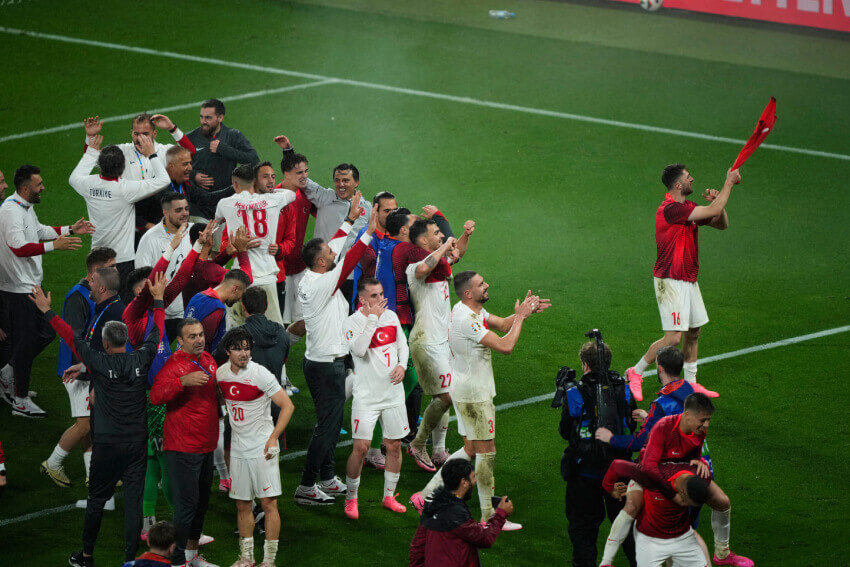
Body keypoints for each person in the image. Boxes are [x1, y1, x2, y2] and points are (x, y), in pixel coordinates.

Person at [30, 280, 164, 567]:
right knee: (133, 504)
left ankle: (87, 555)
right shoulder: (141, 357)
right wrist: (159, 301)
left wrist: (46, 310)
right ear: (126, 341)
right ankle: (130, 560)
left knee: (96, 502)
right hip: (136, 445)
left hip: (106, 446)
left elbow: (70, 336)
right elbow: (157, 333)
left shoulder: (97, 362)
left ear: (105, 343)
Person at [411, 272, 548, 529]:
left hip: (465, 390)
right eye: (481, 285)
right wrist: (520, 318)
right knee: (487, 453)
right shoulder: (468, 320)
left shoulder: (466, 310)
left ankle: (425, 494)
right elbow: (506, 345)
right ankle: (487, 516)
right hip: (475, 396)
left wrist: (520, 313)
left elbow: (503, 325)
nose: (487, 285)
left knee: (472, 450)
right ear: (468, 293)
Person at [626, 166, 742, 401]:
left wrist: (718, 204)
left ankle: (691, 384)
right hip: (669, 279)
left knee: (694, 331)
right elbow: (714, 209)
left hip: (688, 278)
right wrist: (727, 184)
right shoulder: (670, 209)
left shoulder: (687, 208)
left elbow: (721, 223)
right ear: (678, 185)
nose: (692, 178)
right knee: (673, 338)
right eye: (688, 177)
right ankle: (635, 372)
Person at [294, 195, 376, 505]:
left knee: (328, 424)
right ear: (320, 262)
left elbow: (339, 248)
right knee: (327, 429)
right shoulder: (321, 283)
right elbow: (350, 259)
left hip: (326, 361)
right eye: (328, 252)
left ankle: (327, 478)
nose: (333, 251)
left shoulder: (315, 276)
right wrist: (369, 231)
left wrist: (350, 221)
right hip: (326, 366)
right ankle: (306, 486)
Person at [593, 345, 700, 567]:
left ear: (659, 369)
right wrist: (650, 418)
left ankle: (606, 561)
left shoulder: (661, 404)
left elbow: (641, 442)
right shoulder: (690, 392)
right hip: (690, 471)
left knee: (634, 508)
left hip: (663, 471)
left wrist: (611, 438)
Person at [0, 164, 93, 416]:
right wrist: (55, 246)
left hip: (29, 285)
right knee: (26, 341)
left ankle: (9, 373)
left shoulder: (24, 208)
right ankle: (19, 400)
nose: (43, 187)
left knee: (45, 333)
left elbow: (38, 231)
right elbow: (19, 247)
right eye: (39, 184)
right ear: (26, 187)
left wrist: (70, 230)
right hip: (18, 290)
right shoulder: (10, 210)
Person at [640, 394, 753, 567]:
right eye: (703, 420)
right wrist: (671, 494)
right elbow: (649, 467)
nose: (706, 425)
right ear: (687, 415)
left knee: (723, 502)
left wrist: (698, 461)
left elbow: (693, 452)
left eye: (708, 420)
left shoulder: (699, 430)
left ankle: (722, 553)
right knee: (674, 532)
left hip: (684, 474)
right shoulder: (663, 427)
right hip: (660, 479)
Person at [217, 327, 294, 567]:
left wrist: (273, 438)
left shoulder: (260, 374)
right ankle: (246, 558)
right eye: (238, 348)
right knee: (242, 504)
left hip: (262, 448)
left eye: (247, 348)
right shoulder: (221, 374)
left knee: (268, 504)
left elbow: (287, 406)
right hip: (239, 449)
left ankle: (268, 560)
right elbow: (223, 400)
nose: (244, 353)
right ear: (228, 351)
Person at [41, 247, 117, 489]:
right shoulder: (78, 296)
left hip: (87, 368)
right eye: (112, 266)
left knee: (91, 425)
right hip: (77, 371)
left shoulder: (95, 293)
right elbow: (74, 338)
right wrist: (85, 366)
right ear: (96, 270)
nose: (117, 269)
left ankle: (92, 473)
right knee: (84, 424)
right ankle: (53, 463)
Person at [69, 119, 170, 294]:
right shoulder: (125, 189)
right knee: (122, 305)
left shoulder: (87, 184)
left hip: (97, 256)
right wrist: (152, 154)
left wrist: (91, 147)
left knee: (100, 300)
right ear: (122, 167)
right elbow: (163, 180)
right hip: (121, 260)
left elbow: (75, 176)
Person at [559, 340, 637, 567]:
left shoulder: (576, 392)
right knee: (629, 528)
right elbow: (630, 428)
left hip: (585, 474)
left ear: (585, 365)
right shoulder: (624, 389)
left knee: (583, 531)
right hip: (621, 472)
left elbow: (566, 431)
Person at [150, 318, 220, 567]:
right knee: (186, 507)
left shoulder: (208, 360)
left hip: (206, 444)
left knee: (201, 504)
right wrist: (182, 382)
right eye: (192, 336)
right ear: (180, 341)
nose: (199, 339)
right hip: (183, 447)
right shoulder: (174, 365)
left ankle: (191, 557)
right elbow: (156, 395)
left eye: (201, 334)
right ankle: (178, 560)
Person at [406, 217, 474, 471]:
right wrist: (445, 246)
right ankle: (418, 443)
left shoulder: (440, 261)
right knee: (446, 396)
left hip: (442, 340)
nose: (440, 235)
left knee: (443, 395)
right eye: (435, 233)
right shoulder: (414, 267)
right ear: (423, 240)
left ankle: (438, 450)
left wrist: (466, 234)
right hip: (425, 341)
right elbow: (424, 269)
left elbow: (457, 253)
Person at [342, 278, 410, 519]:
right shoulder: (352, 322)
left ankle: (389, 496)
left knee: (393, 446)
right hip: (366, 397)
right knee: (360, 448)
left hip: (392, 394)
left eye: (381, 294)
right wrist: (371, 320)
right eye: (374, 296)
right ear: (361, 299)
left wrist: (402, 365)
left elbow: (403, 344)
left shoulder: (391, 317)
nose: (380, 299)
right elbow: (358, 350)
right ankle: (351, 499)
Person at [215, 164, 296, 326]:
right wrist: (262, 192)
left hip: (239, 280)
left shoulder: (225, 203)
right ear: (254, 181)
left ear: (235, 184)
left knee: (235, 330)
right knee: (274, 329)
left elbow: (218, 222)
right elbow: (291, 194)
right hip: (267, 276)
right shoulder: (273, 199)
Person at [409, 459, 513, 567]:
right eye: (473, 477)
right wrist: (501, 514)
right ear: (464, 482)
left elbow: (417, 548)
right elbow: (484, 538)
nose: (475, 481)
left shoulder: (432, 507)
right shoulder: (456, 513)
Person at [302, 163, 372, 304]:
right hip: (323, 272)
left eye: (346, 180)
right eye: (337, 180)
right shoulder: (324, 197)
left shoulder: (366, 207)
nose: (341, 184)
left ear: (356, 182)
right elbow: (303, 180)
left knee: (347, 316)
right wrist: (288, 151)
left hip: (350, 274)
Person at [135, 146, 234, 233]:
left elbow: (207, 198)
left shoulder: (184, 184)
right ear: (171, 167)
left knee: (216, 225)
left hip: (182, 231)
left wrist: (234, 188)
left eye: (190, 163)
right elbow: (133, 212)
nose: (190, 168)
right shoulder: (155, 187)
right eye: (185, 164)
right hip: (162, 238)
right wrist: (150, 227)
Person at [135, 192, 194, 339]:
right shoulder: (149, 239)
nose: (185, 213)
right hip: (162, 313)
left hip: (189, 310)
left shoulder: (193, 232)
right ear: (165, 212)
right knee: (157, 359)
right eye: (178, 210)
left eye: (186, 209)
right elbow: (142, 278)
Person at [187, 99, 259, 192]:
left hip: (226, 197)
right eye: (201, 117)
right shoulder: (190, 138)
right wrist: (194, 176)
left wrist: (224, 149)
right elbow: (176, 166)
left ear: (220, 117)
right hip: (198, 199)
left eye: (208, 118)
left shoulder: (233, 135)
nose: (203, 122)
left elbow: (254, 160)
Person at [184, 268, 252, 353]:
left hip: (183, 356)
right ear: (235, 289)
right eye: (242, 294)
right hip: (196, 362)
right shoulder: (217, 309)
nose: (240, 299)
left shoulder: (197, 296)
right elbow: (203, 346)